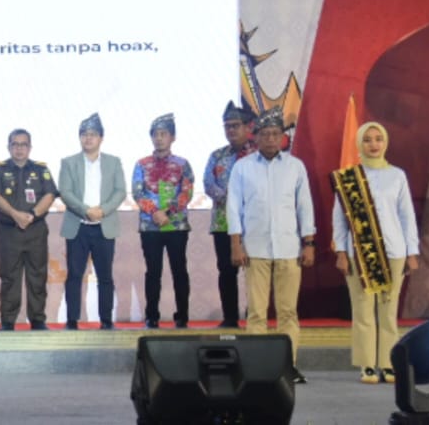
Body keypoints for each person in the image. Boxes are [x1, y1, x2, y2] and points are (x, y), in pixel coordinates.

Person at [228, 106, 314, 384]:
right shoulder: (242, 167)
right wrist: (236, 244)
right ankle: (256, 367)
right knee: (256, 312)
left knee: (288, 312)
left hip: (289, 248)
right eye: (265, 134)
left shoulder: (295, 166)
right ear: (256, 136)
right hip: (255, 249)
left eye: (275, 134)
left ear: (282, 137)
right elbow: (234, 208)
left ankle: (288, 366)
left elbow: (305, 207)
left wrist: (309, 243)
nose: (270, 139)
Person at [332, 122, 420, 384]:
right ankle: (367, 364)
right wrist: (341, 251)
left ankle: (388, 363)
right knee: (362, 310)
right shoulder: (349, 178)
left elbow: (407, 216)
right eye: (368, 139)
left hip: (394, 252)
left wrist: (412, 252)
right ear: (360, 143)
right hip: (360, 253)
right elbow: (339, 219)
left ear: (385, 142)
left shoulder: (397, 175)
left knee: (388, 310)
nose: (373, 144)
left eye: (378, 139)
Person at [58, 114, 127, 330]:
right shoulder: (68, 163)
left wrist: (102, 211)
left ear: (101, 138)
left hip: (104, 226)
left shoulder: (113, 162)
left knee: (105, 276)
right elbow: (65, 192)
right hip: (77, 226)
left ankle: (106, 320)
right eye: (84, 134)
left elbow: (120, 191)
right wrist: (86, 210)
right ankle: (72, 320)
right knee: (74, 275)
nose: (88, 138)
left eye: (93, 134)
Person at [0, 128, 58, 331]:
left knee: (38, 276)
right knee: (9, 277)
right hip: (9, 230)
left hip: (35, 230)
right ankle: (8, 321)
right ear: (9, 147)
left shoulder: (41, 169)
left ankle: (38, 319)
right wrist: (15, 215)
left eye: (23, 144)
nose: (19, 148)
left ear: (30, 147)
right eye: (15, 144)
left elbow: (50, 195)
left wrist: (33, 215)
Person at [131, 113, 195, 329]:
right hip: (150, 226)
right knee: (153, 272)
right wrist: (155, 212)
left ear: (172, 137)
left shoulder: (183, 164)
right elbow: (138, 193)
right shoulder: (141, 164)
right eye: (155, 134)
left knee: (179, 270)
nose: (159, 138)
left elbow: (186, 192)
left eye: (163, 134)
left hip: (176, 225)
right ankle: (152, 316)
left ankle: (182, 316)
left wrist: (167, 211)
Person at [203, 101, 257, 328]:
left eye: (235, 125)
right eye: (227, 126)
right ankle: (230, 317)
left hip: (254, 223)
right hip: (223, 223)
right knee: (226, 271)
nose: (231, 130)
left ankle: (256, 316)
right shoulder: (217, 156)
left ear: (248, 127)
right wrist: (231, 197)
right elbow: (208, 184)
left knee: (256, 271)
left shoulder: (258, 155)